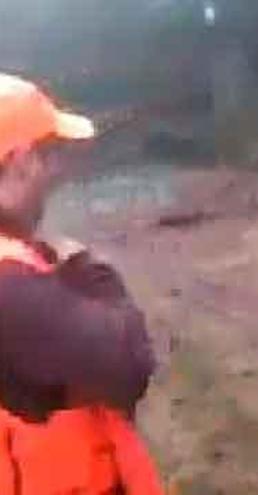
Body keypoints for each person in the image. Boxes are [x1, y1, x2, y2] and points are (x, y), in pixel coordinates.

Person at [0, 73, 161, 493]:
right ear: (20, 163)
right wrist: (88, 269)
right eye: (49, 155)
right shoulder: (8, 282)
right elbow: (128, 364)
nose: (55, 173)